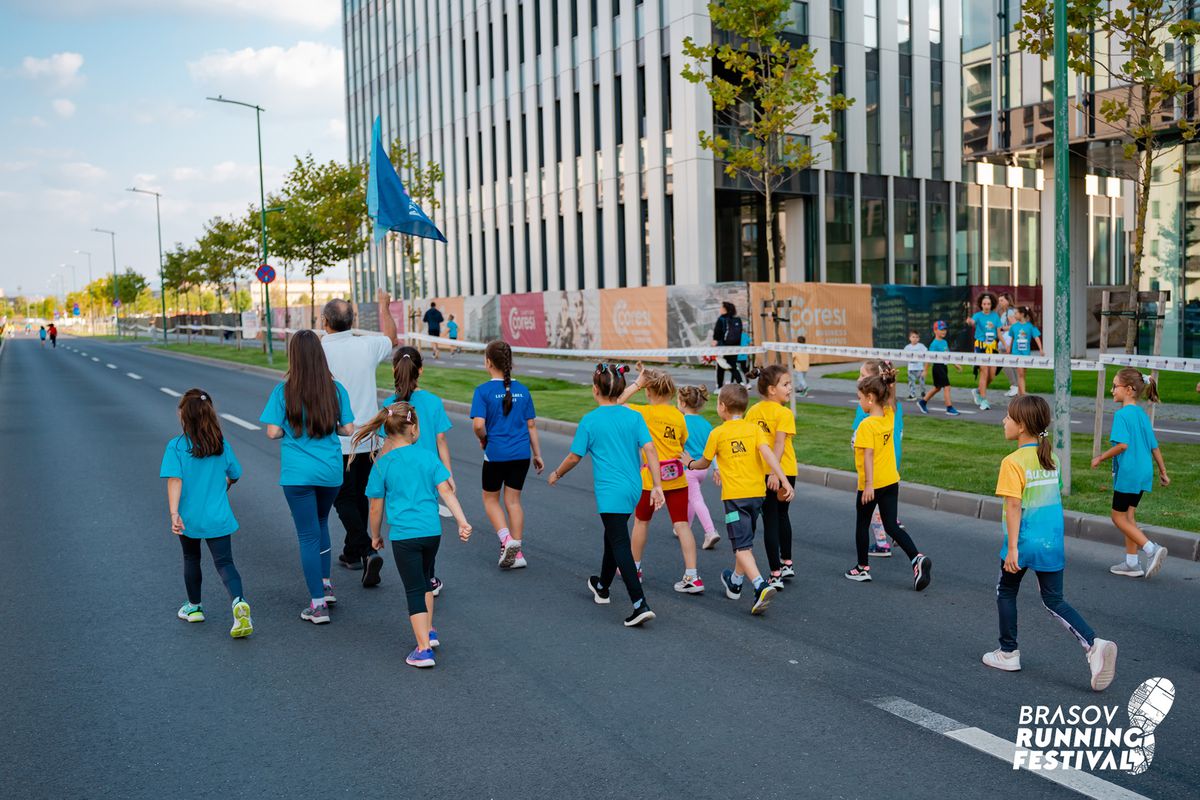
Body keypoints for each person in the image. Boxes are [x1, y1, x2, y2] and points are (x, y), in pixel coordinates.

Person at [984, 395, 1118, 691]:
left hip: (1024, 542)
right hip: (1052, 542)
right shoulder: (1052, 458)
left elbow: (1014, 507)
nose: (1003, 421)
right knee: (1054, 600)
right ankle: (1094, 645)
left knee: (1005, 591)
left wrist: (1014, 549)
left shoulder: (1012, 462)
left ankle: (1008, 653)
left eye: (1007, 417)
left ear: (1021, 427)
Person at [355, 402, 472, 668]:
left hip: (404, 536)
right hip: (432, 532)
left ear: (386, 431)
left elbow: (375, 507)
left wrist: (374, 536)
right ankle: (428, 631)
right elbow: (446, 492)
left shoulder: (382, 465)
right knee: (426, 579)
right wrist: (462, 521)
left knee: (414, 589)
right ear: (414, 429)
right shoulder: (428, 457)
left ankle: (423, 650)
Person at [548, 364, 662, 627]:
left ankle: (639, 603)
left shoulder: (590, 420)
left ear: (595, 390)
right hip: (633, 488)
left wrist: (557, 473)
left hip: (611, 491)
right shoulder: (633, 417)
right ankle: (602, 586)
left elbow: (575, 456)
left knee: (620, 543)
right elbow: (650, 449)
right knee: (613, 534)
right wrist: (657, 485)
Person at [259, 330, 355, 624]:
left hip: (297, 474)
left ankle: (317, 605)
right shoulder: (336, 390)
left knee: (307, 535)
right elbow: (348, 429)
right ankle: (325, 585)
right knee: (322, 523)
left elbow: (273, 431)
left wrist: (290, 429)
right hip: (329, 472)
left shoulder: (283, 391)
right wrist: (330, 428)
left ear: (294, 358)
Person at [685, 383, 793, 615]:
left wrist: (689, 463)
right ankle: (735, 581)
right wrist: (783, 480)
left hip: (735, 498)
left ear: (722, 407)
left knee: (741, 546)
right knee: (745, 540)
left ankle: (759, 585)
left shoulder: (718, 433)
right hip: (757, 496)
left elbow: (704, 462)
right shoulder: (754, 430)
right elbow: (769, 456)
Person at [160, 389, 252, 638]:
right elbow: (235, 473)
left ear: (183, 416)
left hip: (190, 517)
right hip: (218, 517)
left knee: (191, 559)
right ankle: (238, 602)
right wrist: (226, 483)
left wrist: (174, 513)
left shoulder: (177, 446)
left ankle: (194, 608)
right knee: (225, 563)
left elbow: (174, 481)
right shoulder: (221, 444)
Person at [320, 291, 398, 587]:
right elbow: (392, 338)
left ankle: (364, 549)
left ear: (324, 321)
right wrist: (384, 308)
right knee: (361, 495)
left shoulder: (318, 350)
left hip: (335, 436)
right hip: (368, 438)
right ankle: (353, 553)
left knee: (342, 498)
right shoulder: (366, 346)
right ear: (352, 321)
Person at [617, 364, 704, 594]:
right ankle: (692, 576)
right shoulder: (679, 416)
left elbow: (616, 404)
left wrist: (637, 383)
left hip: (650, 479)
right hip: (676, 478)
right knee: (682, 525)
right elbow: (682, 443)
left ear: (648, 391)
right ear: (672, 393)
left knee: (641, 522)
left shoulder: (645, 413)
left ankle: (634, 568)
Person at [845, 367, 932, 589]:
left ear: (871, 398)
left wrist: (868, 486)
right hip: (891, 480)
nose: (859, 402)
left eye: (860, 399)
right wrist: (891, 382)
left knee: (862, 524)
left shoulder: (867, 425)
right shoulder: (888, 416)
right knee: (891, 525)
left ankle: (862, 568)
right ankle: (916, 558)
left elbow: (868, 456)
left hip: (871, 484)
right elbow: (891, 400)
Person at [381, 346, 455, 595]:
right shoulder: (433, 402)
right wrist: (448, 473)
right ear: (420, 370)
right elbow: (441, 440)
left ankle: (414, 574)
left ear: (394, 369)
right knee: (428, 518)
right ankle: (428, 577)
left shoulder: (389, 405)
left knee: (404, 519)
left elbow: (387, 443)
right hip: (429, 472)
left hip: (399, 473)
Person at [1090, 368, 1170, 579]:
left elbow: (1122, 445)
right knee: (1129, 516)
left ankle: (1151, 549)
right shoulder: (1143, 415)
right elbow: (1154, 446)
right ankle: (1132, 563)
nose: (1111, 390)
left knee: (1117, 517)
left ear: (1129, 389)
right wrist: (1163, 471)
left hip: (1129, 472)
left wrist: (1100, 457)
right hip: (1144, 472)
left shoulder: (1121, 415)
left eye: (1115, 386)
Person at [470, 340, 543, 570]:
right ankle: (517, 551)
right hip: (521, 454)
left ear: (488, 362)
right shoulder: (523, 390)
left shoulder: (483, 391)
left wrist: (483, 438)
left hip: (496, 454)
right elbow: (531, 426)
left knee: (490, 500)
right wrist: (537, 454)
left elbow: (478, 425)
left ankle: (506, 540)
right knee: (513, 501)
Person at [745, 364, 796, 588]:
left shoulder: (754, 411)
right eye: (786, 384)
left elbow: (778, 443)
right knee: (780, 517)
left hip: (773, 473)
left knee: (773, 519)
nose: (790, 388)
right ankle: (784, 564)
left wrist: (773, 473)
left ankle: (777, 570)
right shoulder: (782, 413)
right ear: (772, 389)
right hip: (783, 472)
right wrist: (777, 473)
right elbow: (779, 443)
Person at [855, 359, 905, 556]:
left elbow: (865, 446)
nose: (859, 379)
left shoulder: (869, 415)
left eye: (863, 376)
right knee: (883, 512)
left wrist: (868, 482)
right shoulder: (889, 409)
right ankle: (889, 531)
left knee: (869, 513)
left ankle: (881, 544)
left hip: (875, 469)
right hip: (889, 463)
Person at [678, 385, 720, 551]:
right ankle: (684, 527)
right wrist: (716, 469)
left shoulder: (681, 422)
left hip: (688, 468)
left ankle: (710, 531)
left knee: (695, 499)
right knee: (691, 498)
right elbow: (713, 450)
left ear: (681, 403)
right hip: (703, 469)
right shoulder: (706, 425)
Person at [918, 321, 962, 416]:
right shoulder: (934, 344)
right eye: (941, 329)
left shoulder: (944, 342)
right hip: (938, 368)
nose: (944, 331)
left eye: (945, 329)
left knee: (937, 388)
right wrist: (925, 370)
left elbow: (948, 355)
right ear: (935, 331)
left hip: (944, 367)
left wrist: (956, 364)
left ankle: (923, 402)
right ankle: (949, 408)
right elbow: (928, 357)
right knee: (947, 387)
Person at [966, 293, 1002, 410]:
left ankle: (978, 391)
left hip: (992, 348)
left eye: (989, 304)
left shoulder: (995, 316)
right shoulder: (977, 315)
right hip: (980, 346)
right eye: (984, 304)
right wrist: (969, 321)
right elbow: (972, 322)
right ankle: (983, 399)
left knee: (992, 374)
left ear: (992, 305)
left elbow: (998, 332)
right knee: (984, 371)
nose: (986, 306)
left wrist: (1005, 345)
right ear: (981, 305)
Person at [1007, 306, 1043, 396]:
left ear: (1022, 314)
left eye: (1016, 313)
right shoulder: (1014, 327)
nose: (1014, 315)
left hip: (1026, 354)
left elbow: (1036, 337)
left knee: (1023, 374)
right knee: (1020, 373)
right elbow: (1012, 338)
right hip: (1016, 353)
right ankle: (1022, 394)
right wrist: (1009, 348)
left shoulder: (1030, 326)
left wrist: (1041, 349)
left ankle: (1020, 393)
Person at [711, 301, 745, 388]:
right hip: (734, 347)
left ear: (725, 309)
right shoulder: (737, 320)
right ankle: (740, 383)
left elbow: (717, 332)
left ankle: (719, 386)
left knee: (720, 366)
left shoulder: (721, 319)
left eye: (721, 307)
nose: (720, 309)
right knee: (733, 365)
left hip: (723, 346)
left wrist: (715, 341)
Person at [995, 292, 1020, 397]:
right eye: (999, 300)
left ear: (1008, 301)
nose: (1000, 303)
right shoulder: (1005, 313)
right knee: (1010, 363)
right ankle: (1016, 387)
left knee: (1004, 362)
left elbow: (1015, 326)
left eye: (1002, 300)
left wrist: (1002, 328)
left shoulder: (1010, 312)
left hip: (1008, 340)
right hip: (1005, 340)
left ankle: (1014, 386)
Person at [902, 330, 927, 400]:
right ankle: (912, 395)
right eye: (913, 337)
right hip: (911, 368)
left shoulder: (921, 346)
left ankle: (923, 393)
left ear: (919, 339)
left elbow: (927, 354)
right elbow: (903, 355)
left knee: (922, 382)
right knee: (911, 382)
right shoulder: (907, 347)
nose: (915, 338)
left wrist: (925, 368)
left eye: (917, 337)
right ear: (910, 338)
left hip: (920, 368)